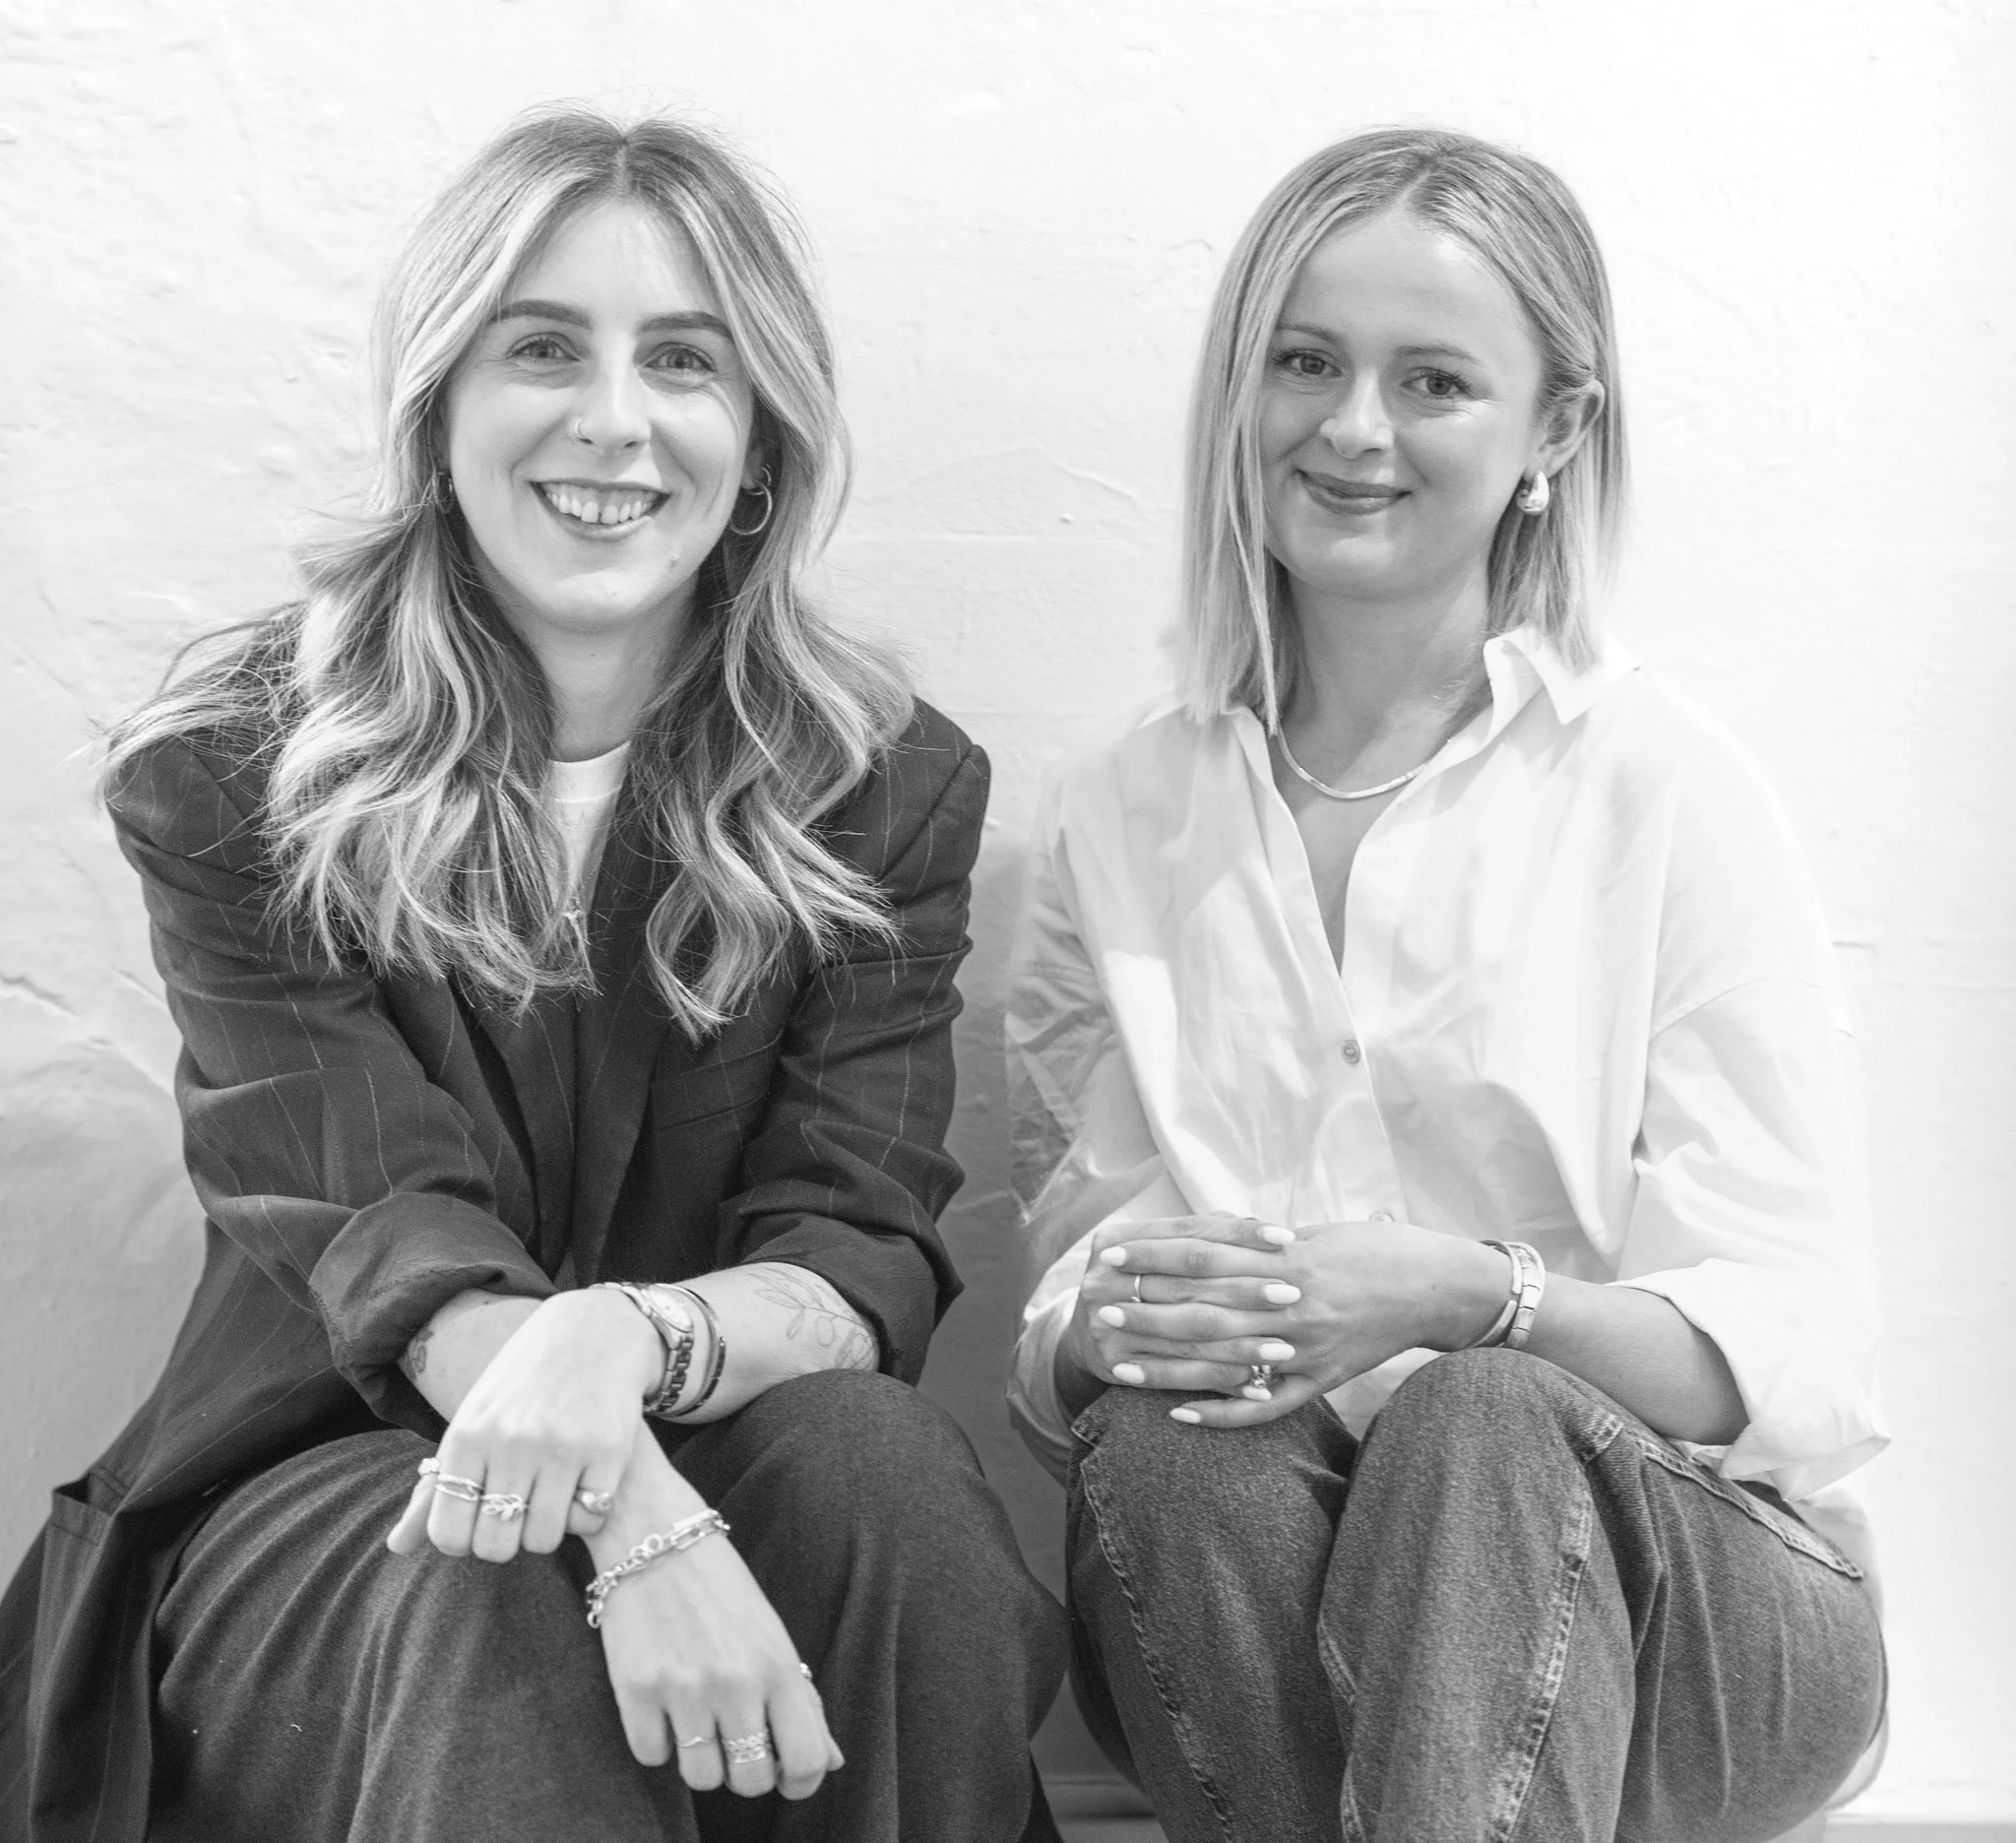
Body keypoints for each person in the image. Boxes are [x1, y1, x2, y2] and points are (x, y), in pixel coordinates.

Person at [0, 106, 1066, 1843]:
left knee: (899, 1486)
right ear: (441, 410)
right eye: (543, 348)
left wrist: (623, 1340)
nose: (615, 421)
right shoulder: (235, 773)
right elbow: (377, 1224)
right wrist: (628, 1502)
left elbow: (855, 1243)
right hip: (320, 1510)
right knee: (487, 1555)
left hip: (739, 1438)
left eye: (687, 363)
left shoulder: (880, 782)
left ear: (763, 439)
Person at [1007, 128, 1885, 1843]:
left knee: (1479, 1425)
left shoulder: (1662, 790)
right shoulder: (1119, 813)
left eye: (1434, 382)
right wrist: (1096, 1328)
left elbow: (1808, 1364)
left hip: (1701, 1616)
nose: (1351, 429)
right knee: (1167, 1439)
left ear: (1555, 431)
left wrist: (1471, 1296)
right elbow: (1073, 1292)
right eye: (1307, 362)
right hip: (1253, 1591)